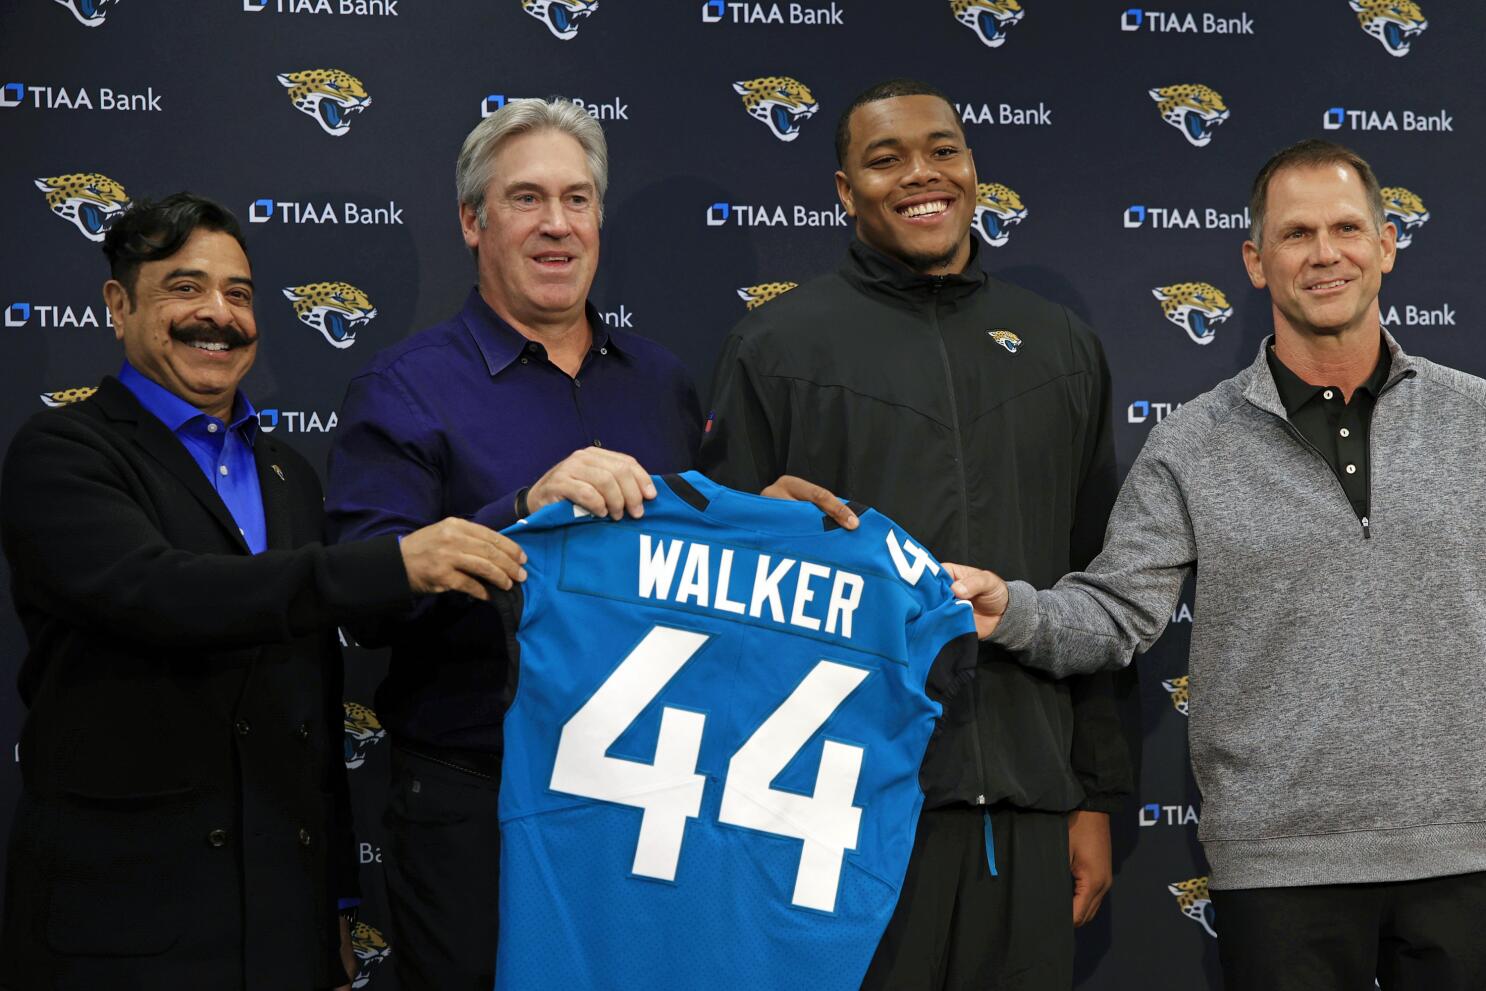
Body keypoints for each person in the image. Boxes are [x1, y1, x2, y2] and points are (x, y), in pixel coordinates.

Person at [325, 97, 852, 989]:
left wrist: (768, 527)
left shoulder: (661, 381)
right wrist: (526, 508)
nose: (556, 224)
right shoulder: (404, 388)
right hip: (481, 805)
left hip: (650, 803)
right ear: (472, 221)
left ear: (600, 219)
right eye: (526, 198)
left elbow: (695, 573)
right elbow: (366, 598)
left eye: (577, 199)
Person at [961, 139, 1486, 990]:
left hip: (1470, 852)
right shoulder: (1191, 446)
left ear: (1387, 245)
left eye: (1347, 228)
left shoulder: (1476, 421)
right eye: (1296, 233)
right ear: (1254, 260)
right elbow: (1117, 611)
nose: (1325, 253)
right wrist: (1011, 610)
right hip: (1280, 869)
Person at [0, 193, 526, 991]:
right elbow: (162, 593)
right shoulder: (63, 453)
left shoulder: (288, 475)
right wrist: (394, 562)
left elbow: (313, 697)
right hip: (121, 931)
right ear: (118, 303)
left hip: (283, 924)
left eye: (239, 294)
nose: (218, 314)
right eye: (185, 287)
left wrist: (340, 899)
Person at [698, 78, 1136, 990]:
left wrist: (1095, 796)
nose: (921, 175)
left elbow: (1101, 589)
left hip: (1025, 800)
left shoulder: (1061, 346)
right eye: (885, 158)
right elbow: (716, 602)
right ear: (844, 190)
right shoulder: (775, 345)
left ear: (975, 169)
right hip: (839, 808)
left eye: (943, 150)